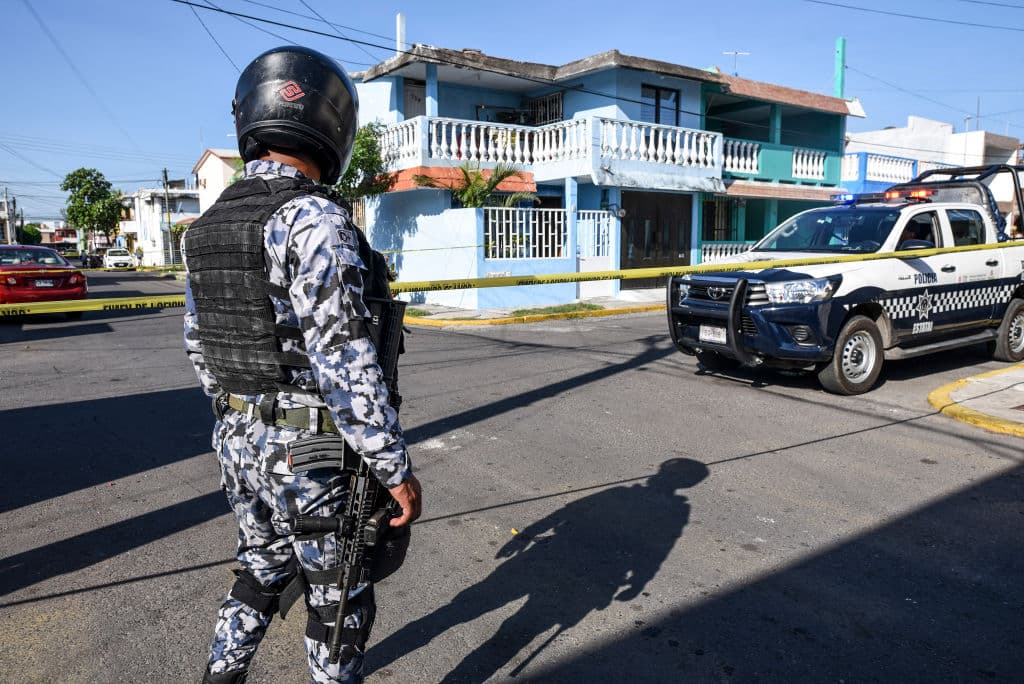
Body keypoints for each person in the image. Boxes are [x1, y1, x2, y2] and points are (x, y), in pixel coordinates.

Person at [182, 45, 422, 684]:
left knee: (259, 569)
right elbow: (344, 360)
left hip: (234, 436)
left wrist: (243, 418)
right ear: (330, 122)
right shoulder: (313, 218)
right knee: (336, 595)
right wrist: (394, 469)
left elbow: (199, 347)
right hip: (309, 450)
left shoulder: (204, 228)